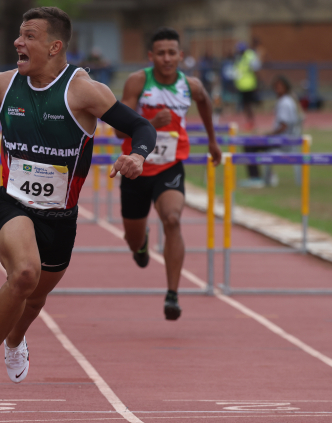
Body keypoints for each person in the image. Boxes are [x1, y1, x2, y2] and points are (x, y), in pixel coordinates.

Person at [0, 7, 156, 417]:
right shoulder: (3, 85)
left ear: (54, 46)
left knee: (36, 295)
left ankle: (14, 341)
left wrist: (139, 156)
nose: (17, 43)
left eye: (28, 37)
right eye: (18, 35)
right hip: (11, 204)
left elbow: (141, 128)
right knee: (24, 274)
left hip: (61, 217)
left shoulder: (84, 91)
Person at [115, 27, 222, 321]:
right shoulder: (138, 81)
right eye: (160, 53)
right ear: (151, 56)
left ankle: (173, 294)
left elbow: (205, 102)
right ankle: (141, 244)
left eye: (172, 53)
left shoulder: (191, 85)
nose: (166, 58)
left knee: (173, 219)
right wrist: (149, 121)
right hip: (136, 167)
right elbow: (117, 129)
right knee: (133, 239)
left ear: (181, 56)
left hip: (170, 165)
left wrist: (212, 140)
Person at [241, 75, 303, 188]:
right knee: (254, 141)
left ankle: (256, 178)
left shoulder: (284, 102)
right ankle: (269, 175)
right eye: (276, 87)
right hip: (286, 139)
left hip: (282, 141)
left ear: (286, 87)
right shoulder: (288, 100)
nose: (277, 89)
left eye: (280, 87)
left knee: (249, 144)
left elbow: (284, 126)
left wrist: (266, 134)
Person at [233, 41, 261, 132]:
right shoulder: (239, 58)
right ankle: (249, 121)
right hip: (242, 86)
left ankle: (251, 122)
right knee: (245, 105)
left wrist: (257, 83)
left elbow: (256, 69)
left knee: (248, 105)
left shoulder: (250, 56)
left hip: (249, 85)